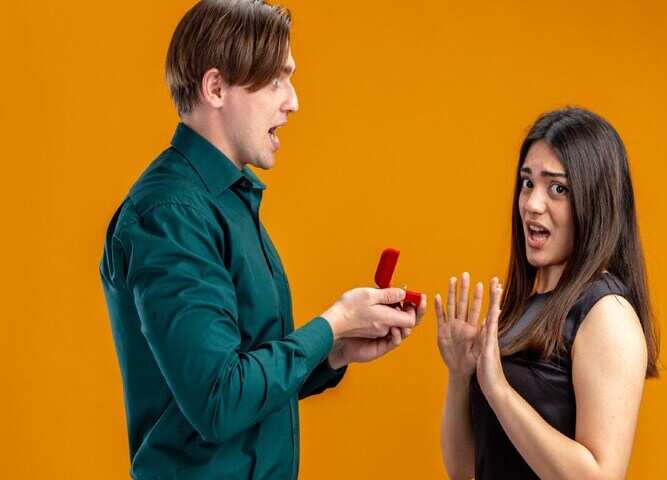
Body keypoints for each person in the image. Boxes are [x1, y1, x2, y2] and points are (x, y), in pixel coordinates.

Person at [99, 1, 426, 479]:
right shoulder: (172, 215)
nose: (293, 101)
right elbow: (220, 399)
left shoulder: (226, 201)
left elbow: (246, 377)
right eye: (276, 80)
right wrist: (333, 324)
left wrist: (335, 350)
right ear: (216, 88)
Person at [436, 107, 659, 479]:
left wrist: (499, 390)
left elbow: (600, 477)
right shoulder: (526, 311)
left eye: (558, 189)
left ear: (595, 202)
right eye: (527, 183)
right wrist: (460, 375)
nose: (532, 204)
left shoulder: (608, 313)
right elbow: (464, 469)